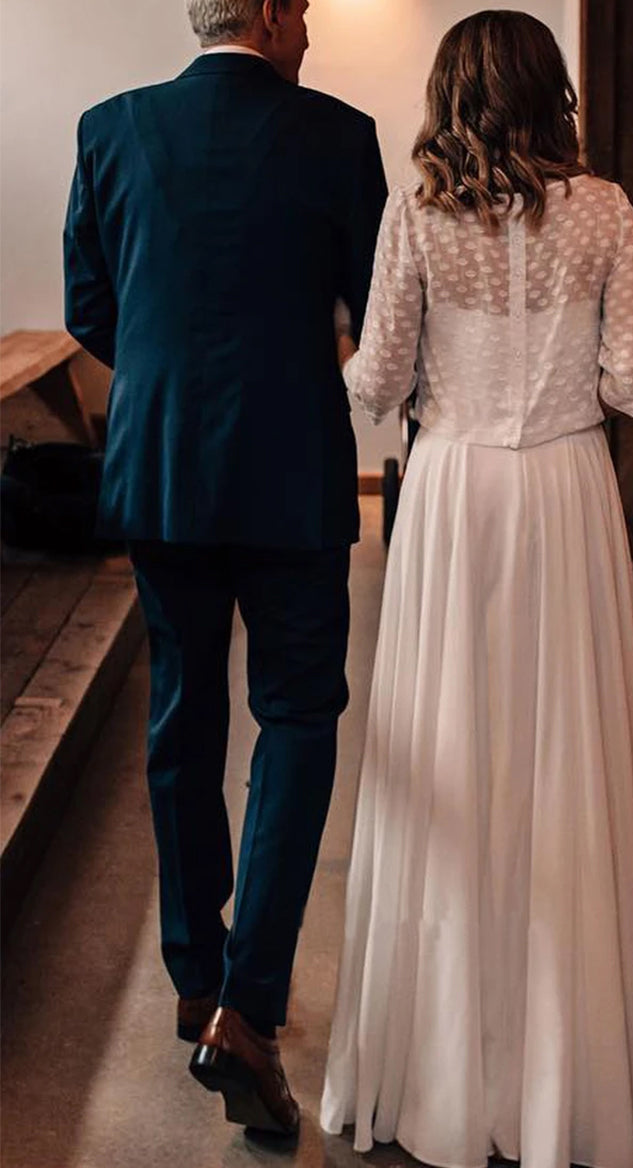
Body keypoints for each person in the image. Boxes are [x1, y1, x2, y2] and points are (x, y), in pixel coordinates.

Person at [322, 12, 633, 1168]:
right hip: (564, 493)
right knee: (563, 760)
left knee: (451, 759)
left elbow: (377, 379)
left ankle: (443, 1071)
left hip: (451, 497)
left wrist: (343, 359)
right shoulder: (606, 210)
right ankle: (567, 1084)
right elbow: (631, 382)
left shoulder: (416, 212)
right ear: (550, 91)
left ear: (450, 95)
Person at [63, 0, 387, 1136]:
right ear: (269, 11)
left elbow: (90, 307)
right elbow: (376, 306)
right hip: (293, 471)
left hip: (160, 471)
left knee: (182, 716)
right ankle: (249, 1006)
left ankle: (197, 979)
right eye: (304, 10)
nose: (310, 31)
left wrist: (172, 379)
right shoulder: (338, 135)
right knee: (296, 719)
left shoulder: (110, 128)